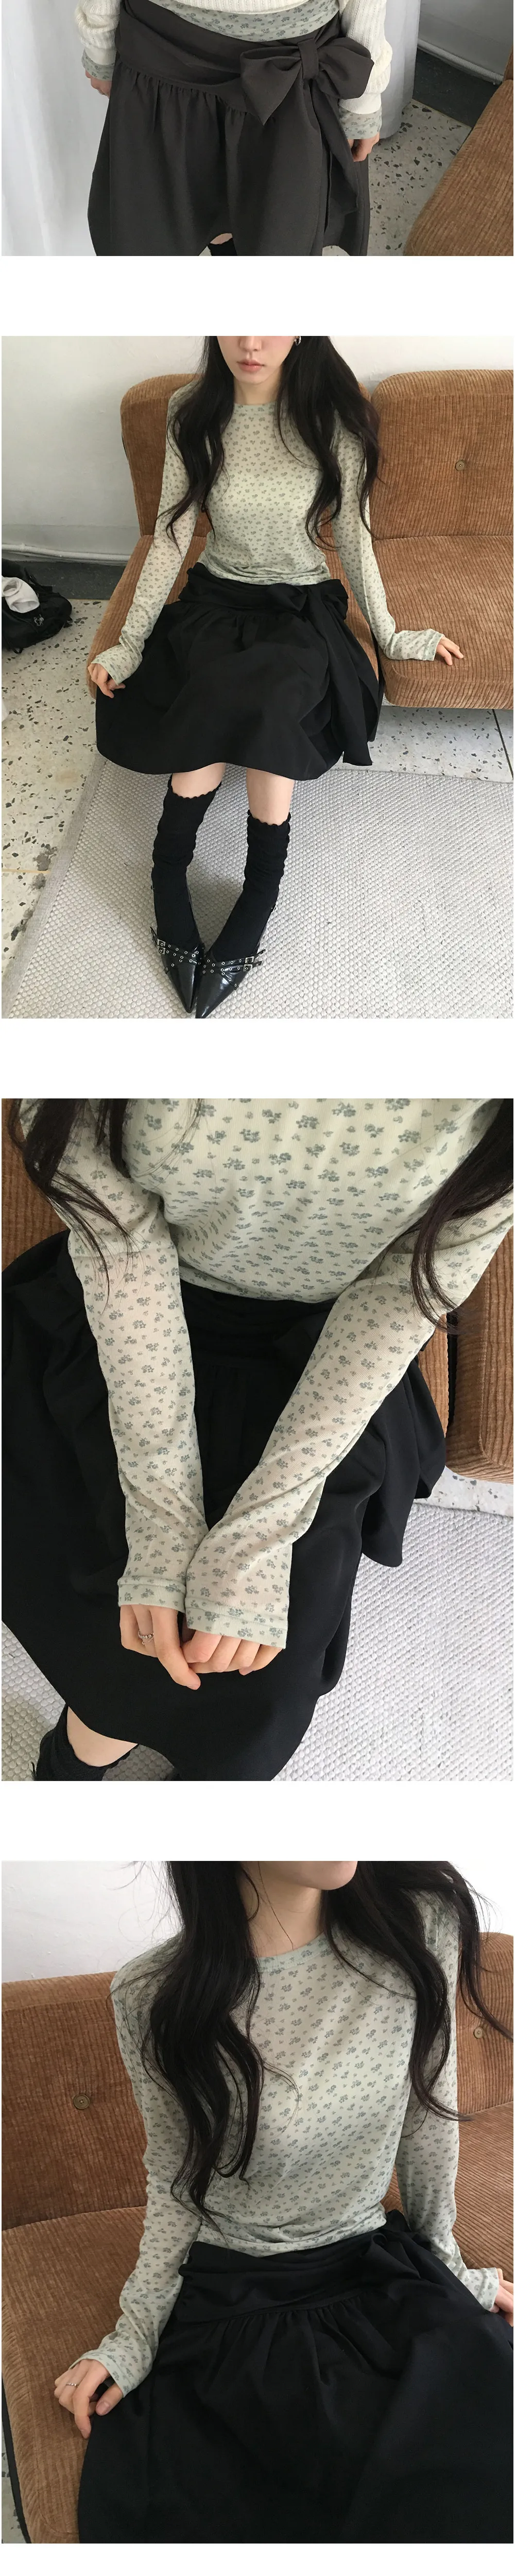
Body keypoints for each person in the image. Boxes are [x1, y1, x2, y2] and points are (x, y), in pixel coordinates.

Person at [3, 1096, 512, 1783]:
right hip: (130, 1318)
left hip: (329, 1350)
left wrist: (258, 1536)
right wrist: (162, 1522)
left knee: (259, 1691)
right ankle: (74, 1755)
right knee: (122, 1635)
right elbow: (123, 1247)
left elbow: (399, 1294)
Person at [54, 1861, 513, 2541]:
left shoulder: (422, 1923)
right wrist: (137, 2332)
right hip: (242, 2297)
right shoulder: (153, 1994)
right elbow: (176, 2182)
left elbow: (427, 2120)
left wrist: (448, 2268)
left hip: (378, 2269)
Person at [88, 338, 462, 1015]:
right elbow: (171, 534)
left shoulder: (332, 419)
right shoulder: (190, 411)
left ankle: (261, 889)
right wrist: (129, 644)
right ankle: (168, 869)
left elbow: (354, 536)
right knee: (207, 694)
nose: (252, 342)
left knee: (274, 701)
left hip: (299, 608)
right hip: (217, 601)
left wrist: (391, 635)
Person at [77, 0, 390, 255]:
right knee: (184, 224)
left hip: (287, 85)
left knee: (275, 234)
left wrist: (365, 96)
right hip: (164, 63)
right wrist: (99, 40)